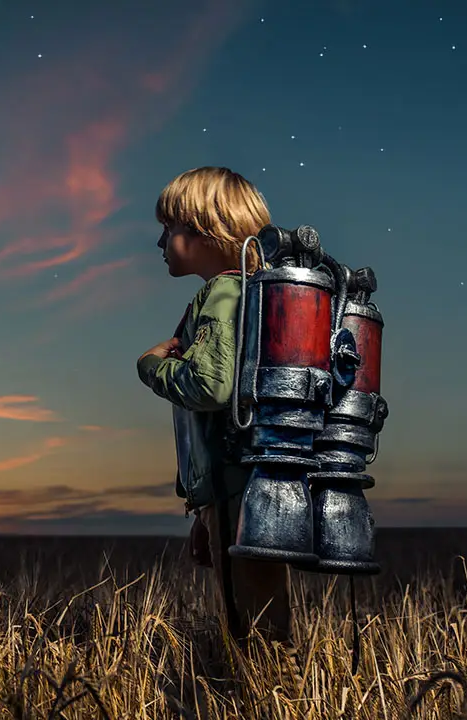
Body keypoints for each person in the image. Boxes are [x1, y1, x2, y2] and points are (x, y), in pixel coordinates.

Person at [136, 166, 292, 645]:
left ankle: (263, 700)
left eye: (169, 230)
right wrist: (205, 512)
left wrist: (150, 367)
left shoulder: (225, 292)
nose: (161, 243)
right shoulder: (254, 294)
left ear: (203, 231)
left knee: (251, 630)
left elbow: (209, 386)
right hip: (246, 485)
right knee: (258, 613)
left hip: (237, 485)